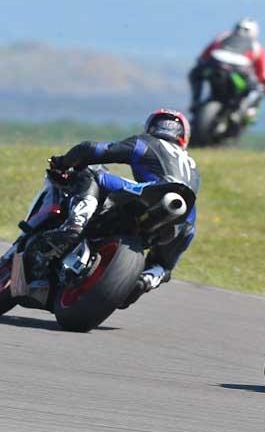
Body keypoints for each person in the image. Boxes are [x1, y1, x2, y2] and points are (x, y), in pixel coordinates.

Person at [44, 109, 200, 306]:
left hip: (150, 192)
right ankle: (149, 277)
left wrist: (62, 162)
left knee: (92, 173)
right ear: (184, 136)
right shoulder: (193, 167)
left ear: (152, 126)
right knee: (164, 264)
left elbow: (92, 149)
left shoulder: (146, 142)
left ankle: (75, 224)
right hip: (185, 220)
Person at [188, 18, 265, 123]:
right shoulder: (256, 46)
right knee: (257, 89)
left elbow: (202, 57)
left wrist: (201, 67)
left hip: (214, 64)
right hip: (239, 70)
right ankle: (245, 112)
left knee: (195, 74)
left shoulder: (221, 37)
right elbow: (263, 73)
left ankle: (195, 101)